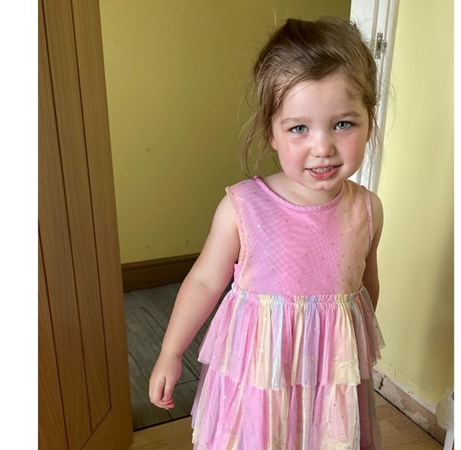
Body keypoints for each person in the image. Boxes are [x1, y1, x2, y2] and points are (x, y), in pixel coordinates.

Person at [149, 16, 386, 449]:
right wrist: (171, 351)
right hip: (260, 381)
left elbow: (365, 287)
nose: (322, 147)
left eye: (343, 124)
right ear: (271, 133)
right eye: (299, 128)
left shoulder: (367, 210)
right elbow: (204, 281)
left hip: (328, 383)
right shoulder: (242, 208)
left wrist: (352, 352)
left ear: (369, 121)